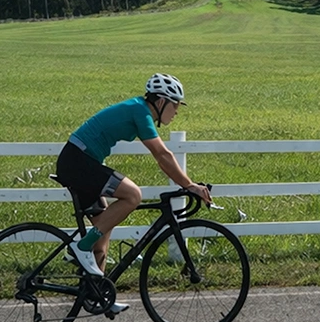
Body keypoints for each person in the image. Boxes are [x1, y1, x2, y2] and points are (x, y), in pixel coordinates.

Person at [55, 73, 211, 304]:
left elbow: (162, 157)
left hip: (79, 161)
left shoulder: (138, 108)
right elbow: (162, 154)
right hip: (78, 162)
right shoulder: (140, 110)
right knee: (133, 195)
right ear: (160, 102)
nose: (177, 111)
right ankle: (80, 247)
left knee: (103, 229)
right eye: (175, 104)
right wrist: (189, 185)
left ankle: (97, 292)